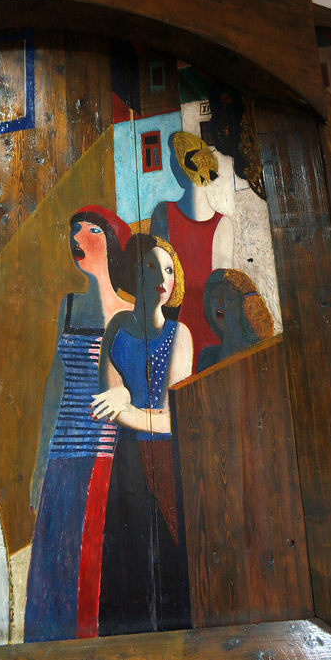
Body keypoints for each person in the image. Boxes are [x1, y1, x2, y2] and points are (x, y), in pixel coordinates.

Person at [24, 205, 132, 643]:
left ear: (111, 242)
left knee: (93, 563)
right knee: (53, 564)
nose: (77, 239)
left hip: (107, 456)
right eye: (73, 231)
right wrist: (39, 467)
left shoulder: (130, 312)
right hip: (63, 456)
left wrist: (126, 396)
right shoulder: (67, 307)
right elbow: (56, 386)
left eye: (90, 231)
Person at [91, 233, 193, 636]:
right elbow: (108, 397)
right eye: (150, 267)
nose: (161, 278)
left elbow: (171, 420)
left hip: (164, 462)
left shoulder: (179, 335)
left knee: (167, 564)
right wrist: (120, 400)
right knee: (127, 563)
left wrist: (126, 406)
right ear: (133, 273)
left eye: (168, 269)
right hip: (125, 461)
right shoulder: (116, 327)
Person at [150, 131, 233, 368]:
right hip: (171, 323)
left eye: (173, 160)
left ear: (180, 168)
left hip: (207, 329)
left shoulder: (222, 224)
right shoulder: (164, 213)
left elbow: (222, 289)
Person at [198, 268, 274, 372]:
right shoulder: (207, 358)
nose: (219, 305)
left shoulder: (260, 353)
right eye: (214, 297)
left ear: (246, 306)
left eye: (229, 298)